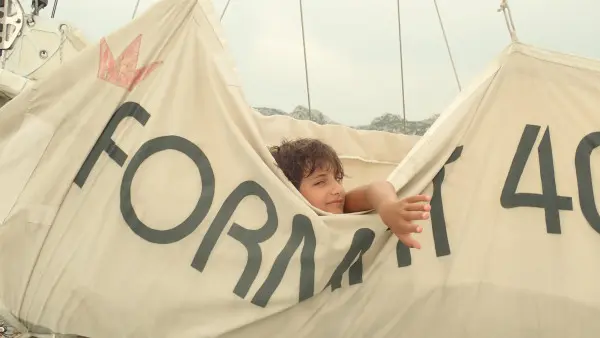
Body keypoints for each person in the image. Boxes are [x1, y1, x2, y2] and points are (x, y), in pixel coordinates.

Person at [269, 138, 431, 249]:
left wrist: (387, 206)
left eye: (337, 179)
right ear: (289, 189)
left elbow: (374, 190)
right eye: (320, 182)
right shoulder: (279, 227)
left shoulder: (343, 207)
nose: (338, 189)